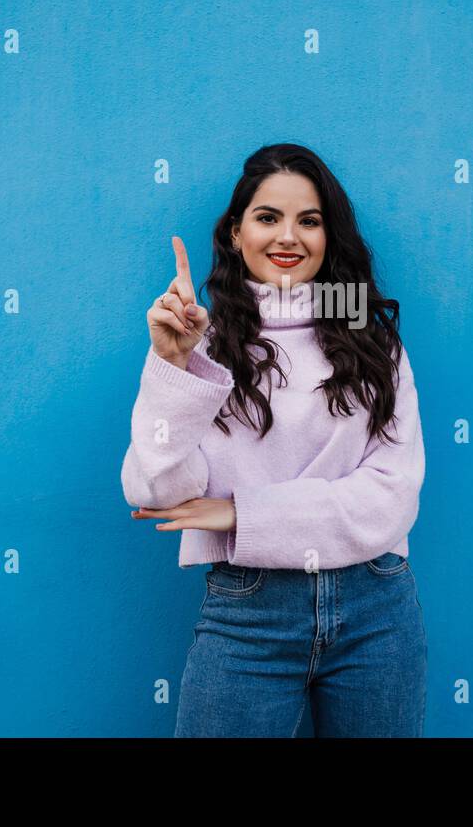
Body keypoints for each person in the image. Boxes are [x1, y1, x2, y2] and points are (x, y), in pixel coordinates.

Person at [120, 143, 427, 737]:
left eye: (309, 221)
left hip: (376, 606)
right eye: (268, 217)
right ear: (236, 233)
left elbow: (392, 495)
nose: (288, 237)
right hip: (248, 612)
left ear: (328, 237)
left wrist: (244, 512)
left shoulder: (371, 341)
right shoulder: (202, 344)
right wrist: (173, 367)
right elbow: (157, 491)